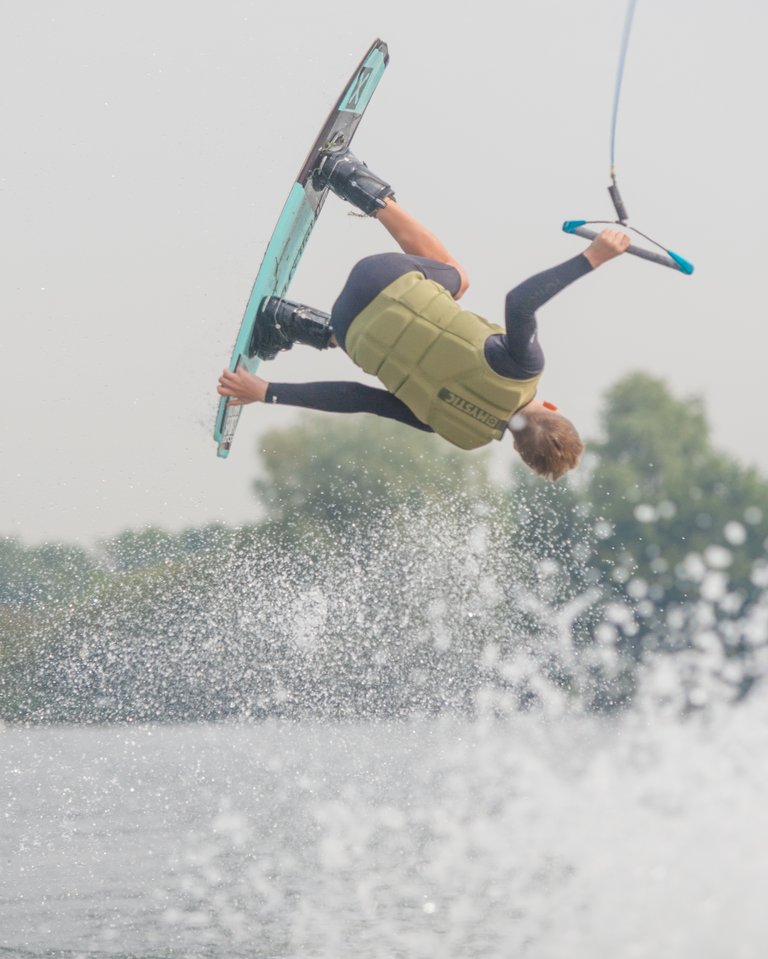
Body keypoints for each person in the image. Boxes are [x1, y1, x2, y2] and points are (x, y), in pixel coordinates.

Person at [217, 150, 630, 480]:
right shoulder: (461, 435)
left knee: (460, 279)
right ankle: (287, 322)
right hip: (349, 325)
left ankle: (347, 176)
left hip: (376, 276)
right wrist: (265, 391)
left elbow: (520, 301)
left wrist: (591, 258)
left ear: (553, 408)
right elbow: (362, 399)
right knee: (399, 356)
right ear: (518, 450)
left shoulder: (523, 368)